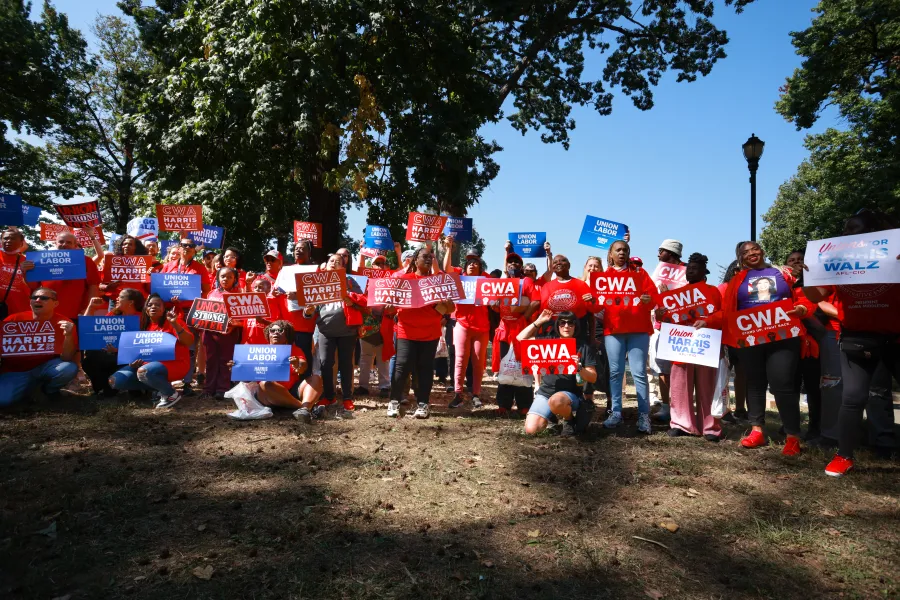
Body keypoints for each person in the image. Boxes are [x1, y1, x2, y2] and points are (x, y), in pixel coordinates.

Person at [803, 210, 900, 476]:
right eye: (844, 230)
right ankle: (844, 456)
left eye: (853, 230)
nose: (846, 235)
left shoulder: (894, 252)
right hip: (857, 338)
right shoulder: (837, 261)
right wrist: (810, 277)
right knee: (852, 398)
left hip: (895, 336)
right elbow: (816, 295)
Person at [707, 241, 811, 456]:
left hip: (783, 335)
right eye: (745, 252)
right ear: (740, 258)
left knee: (783, 384)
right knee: (754, 383)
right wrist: (705, 322)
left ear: (762, 251)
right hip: (750, 337)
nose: (751, 253)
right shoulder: (737, 280)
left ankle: (792, 436)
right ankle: (757, 430)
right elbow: (726, 311)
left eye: (754, 249)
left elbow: (803, 298)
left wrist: (802, 308)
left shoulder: (783, 273)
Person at [386, 247, 455, 419]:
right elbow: (390, 307)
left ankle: (423, 404)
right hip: (406, 331)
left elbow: (451, 308)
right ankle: (394, 401)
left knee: (424, 369)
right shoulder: (404, 279)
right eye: (425, 256)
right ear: (415, 260)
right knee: (402, 367)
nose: (429, 259)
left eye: (431, 257)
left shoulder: (438, 281)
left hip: (429, 333)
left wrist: (446, 301)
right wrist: (389, 307)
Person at [662, 253, 723, 441]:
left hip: (706, 344)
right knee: (680, 385)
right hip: (681, 344)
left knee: (707, 386)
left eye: (694, 269)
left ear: (704, 272)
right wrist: (663, 303)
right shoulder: (676, 294)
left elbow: (723, 314)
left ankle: (710, 426)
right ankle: (681, 423)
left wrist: (708, 321)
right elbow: (666, 319)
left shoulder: (713, 291)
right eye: (688, 269)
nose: (689, 271)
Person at [601, 240, 660, 433]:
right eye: (618, 250)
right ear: (610, 254)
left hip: (638, 330)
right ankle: (616, 412)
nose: (622, 253)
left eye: (625, 250)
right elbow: (596, 306)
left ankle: (644, 415)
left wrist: (648, 299)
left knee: (639, 374)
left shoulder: (639, 273)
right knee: (616, 373)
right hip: (614, 331)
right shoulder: (604, 277)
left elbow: (654, 299)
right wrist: (591, 300)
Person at [517, 309, 598, 436]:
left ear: (575, 326)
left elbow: (592, 378)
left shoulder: (583, 347)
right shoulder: (549, 341)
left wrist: (579, 368)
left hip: (570, 395)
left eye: (571, 323)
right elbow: (520, 338)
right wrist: (539, 321)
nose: (566, 326)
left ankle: (569, 420)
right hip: (545, 392)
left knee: (556, 401)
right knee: (531, 430)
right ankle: (551, 417)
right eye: (562, 323)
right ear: (558, 325)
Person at [305, 254, 367, 417]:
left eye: (338, 262)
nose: (334, 263)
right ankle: (330, 397)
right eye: (331, 261)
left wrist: (350, 299)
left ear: (343, 267)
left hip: (347, 331)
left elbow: (364, 302)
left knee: (346, 364)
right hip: (325, 331)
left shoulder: (351, 282)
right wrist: (308, 311)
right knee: (325, 363)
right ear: (326, 265)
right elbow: (309, 311)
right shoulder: (318, 282)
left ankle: (347, 397)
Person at [108, 293, 195, 409]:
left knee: (144, 372)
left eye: (158, 305)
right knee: (114, 381)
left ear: (164, 309)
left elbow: (188, 342)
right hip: (148, 366)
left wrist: (175, 324)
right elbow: (135, 350)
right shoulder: (143, 325)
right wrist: (131, 362)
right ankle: (158, 389)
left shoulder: (173, 321)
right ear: (146, 309)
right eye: (150, 305)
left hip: (176, 363)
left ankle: (170, 394)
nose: (153, 307)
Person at [229, 320, 324, 422]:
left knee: (316, 378)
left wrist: (298, 363)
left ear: (287, 334)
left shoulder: (294, 350)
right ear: (268, 334)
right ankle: (303, 408)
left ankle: (304, 409)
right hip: (266, 394)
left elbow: (302, 367)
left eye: (280, 330)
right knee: (266, 384)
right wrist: (237, 369)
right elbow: (246, 379)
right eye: (272, 330)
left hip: (291, 391)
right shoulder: (257, 351)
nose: (276, 333)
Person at [0, 287, 79, 406]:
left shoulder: (64, 323)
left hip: (46, 368)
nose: (38, 300)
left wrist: (68, 336)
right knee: (4, 401)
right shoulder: (12, 320)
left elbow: (67, 358)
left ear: (55, 303)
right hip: (14, 371)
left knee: (68, 368)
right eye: (34, 297)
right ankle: (32, 389)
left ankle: (49, 391)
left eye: (44, 298)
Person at [492, 250, 541, 415]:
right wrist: (492, 304)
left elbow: (536, 301)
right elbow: (494, 305)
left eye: (517, 262)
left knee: (523, 367)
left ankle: (524, 405)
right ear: (506, 266)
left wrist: (524, 317)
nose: (513, 264)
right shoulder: (502, 282)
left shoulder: (526, 281)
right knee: (506, 367)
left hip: (522, 330)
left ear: (521, 267)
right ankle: (503, 404)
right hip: (504, 330)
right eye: (510, 262)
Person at [443, 237, 490, 409]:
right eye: (469, 262)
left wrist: (506, 254)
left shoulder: (485, 278)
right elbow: (446, 268)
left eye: (475, 262)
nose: (472, 265)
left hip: (482, 327)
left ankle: (476, 394)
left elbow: (505, 283)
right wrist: (448, 248)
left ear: (480, 266)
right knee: (460, 359)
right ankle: (458, 394)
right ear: (465, 265)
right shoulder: (459, 275)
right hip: (462, 324)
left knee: (478, 361)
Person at [161, 235, 212, 395]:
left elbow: (206, 291)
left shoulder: (199, 268)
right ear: (180, 247)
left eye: (191, 246)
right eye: (184, 245)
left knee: (190, 347)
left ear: (194, 251)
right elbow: (161, 287)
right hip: (170, 311)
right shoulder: (168, 266)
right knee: (169, 346)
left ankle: (187, 382)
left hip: (190, 311)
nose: (188, 248)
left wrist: (200, 307)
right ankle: (165, 380)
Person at [81, 288, 145, 397]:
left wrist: (119, 350)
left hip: (132, 357)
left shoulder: (143, 318)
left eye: (120, 297)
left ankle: (134, 387)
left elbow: (143, 344)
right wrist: (91, 307)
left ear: (131, 302)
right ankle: (104, 389)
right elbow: (87, 327)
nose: (116, 298)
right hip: (111, 353)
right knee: (90, 357)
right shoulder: (114, 314)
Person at [649, 238, 685, 423]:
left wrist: (667, 296)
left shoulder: (688, 272)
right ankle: (666, 407)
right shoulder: (658, 273)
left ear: (670, 254)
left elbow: (691, 300)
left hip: (681, 328)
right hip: (661, 326)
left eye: (660, 251)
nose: (657, 254)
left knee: (680, 368)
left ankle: (681, 407)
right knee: (663, 369)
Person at [38, 230, 102, 321]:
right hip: (46, 313)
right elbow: (33, 286)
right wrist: (26, 273)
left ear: (75, 245)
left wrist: (90, 308)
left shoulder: (86, 261)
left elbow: (93, 286)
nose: (64, 244)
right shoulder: (42, 261)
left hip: (75, 313)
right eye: (61, 242)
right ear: (55, 244)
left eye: (69, 242)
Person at [539, 253, 601, 341]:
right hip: (552, 334)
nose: (559, 263)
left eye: (562, 261)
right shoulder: (546, 287)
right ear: (552, 267)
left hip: (578, 333)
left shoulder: (581, 285)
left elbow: (590, 315)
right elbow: (542, 314)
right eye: (555, 262)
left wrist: (592, 338)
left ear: (569, 265)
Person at [202, 267, 243, 400]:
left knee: (226, 360)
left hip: (229, 333)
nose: (226, 279)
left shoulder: (239, 295)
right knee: (211, 360)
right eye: (223, 276)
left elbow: (243, 319)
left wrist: (233, 325)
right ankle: (208, 389)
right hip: (210, 332)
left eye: (230, 277)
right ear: (218, 278)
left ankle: (222, 389)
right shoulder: (211, 294)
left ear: (235, 279)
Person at [100, 234, 150, 306]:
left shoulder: (144, 263)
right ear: (121, 246)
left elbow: (148, 288)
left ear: (136, 247)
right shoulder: (112, 262)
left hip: (137, 302)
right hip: (116, 301)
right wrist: (107, 287)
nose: (126, 246)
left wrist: (149, 276)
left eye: (130, 244)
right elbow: (100, 285)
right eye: (124, 244)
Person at [1, 228, 37, 317]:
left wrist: (25, 273)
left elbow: (34, 287)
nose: (8, 241)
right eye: (5, 238)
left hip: (18, 312)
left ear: (21, 242)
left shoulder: (29, 262)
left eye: (13, 238)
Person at [240, 277, 283, 345]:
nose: (257, 289)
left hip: (264, 344)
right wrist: (235, 323)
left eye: (261, 287)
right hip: (248, 343)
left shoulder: (272, 303)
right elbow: (244, 323)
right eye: (255, 287)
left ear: (269, 290)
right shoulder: (248, 302)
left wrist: (262, 321)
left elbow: (277, 325)